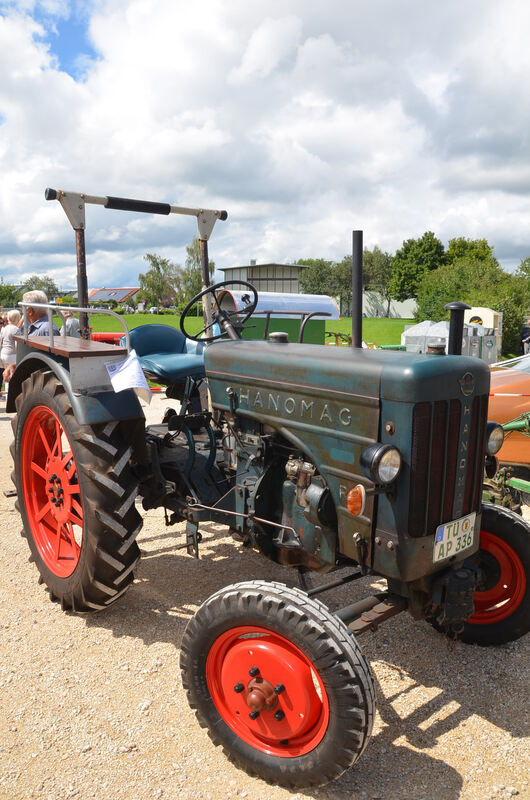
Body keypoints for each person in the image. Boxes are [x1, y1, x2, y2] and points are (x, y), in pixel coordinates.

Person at [0, 309, 22, 397]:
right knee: (13, 377)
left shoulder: (4, 328)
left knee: (7, 377)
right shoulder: (16, 329)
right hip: (12, 355)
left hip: (3, 353)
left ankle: (7, 398)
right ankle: (12, 397)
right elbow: (17, 346)